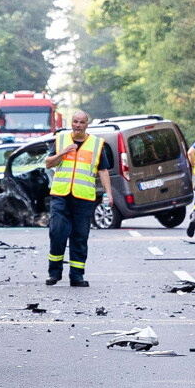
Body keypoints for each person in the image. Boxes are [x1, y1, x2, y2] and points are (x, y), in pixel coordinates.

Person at [44, 111, 113, 287]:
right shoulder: (61, 140)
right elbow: (48, 163)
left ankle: (77, 276)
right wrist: (64, 152)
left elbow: (103, 170)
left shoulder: (97, 144)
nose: (78, 125)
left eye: (82, 122)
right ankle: (54, 273)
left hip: (84, 197)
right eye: (75, 121)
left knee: (80, 237)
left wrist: (109, 194)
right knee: (57, 232)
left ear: (86, 124)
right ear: (71, 123)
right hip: (61, 194)